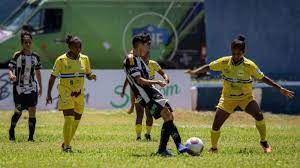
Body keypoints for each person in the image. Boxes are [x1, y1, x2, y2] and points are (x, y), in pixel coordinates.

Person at [186, 35, 295, 153]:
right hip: (227, 99)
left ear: (243, 53)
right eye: (234, 53)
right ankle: (214, 148)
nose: (236, 56)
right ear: (231, 52)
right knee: (216, 125)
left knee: (259, 115)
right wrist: (194, 72)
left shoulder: (250, 65)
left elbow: (263, 78)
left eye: (239, 54)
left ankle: (264, 142)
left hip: (245, 98)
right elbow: (208, 67)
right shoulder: (224, 62)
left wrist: (280, 88)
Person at [123, 33, 189, 156]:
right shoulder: (131, 60)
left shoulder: (138, 59)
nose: (149, 48)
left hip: (152, 91)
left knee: (169, 116)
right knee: (167, 115)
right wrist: (157, 81)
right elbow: (139, 80)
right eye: (147, 45)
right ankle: (169, 147)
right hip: (146, 95)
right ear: (140, 45)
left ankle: (175, 146)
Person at [46, 35, 96, 152]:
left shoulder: (85, 59)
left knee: (76, 120)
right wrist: (48, 94)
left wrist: (91, 76)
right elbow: (52, 77)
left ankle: (65, 143)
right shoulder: (61, 60)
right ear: (69, 47)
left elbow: (88, 74)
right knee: (69, 119)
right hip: (65, 93)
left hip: (79, 93)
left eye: (80, 47)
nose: (78, 49)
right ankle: (67, 147)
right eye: (75, 47)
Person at [121, 49, 170, 141]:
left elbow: (163, 73)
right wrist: (123, 89)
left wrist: (166, 78)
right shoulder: (136, 64)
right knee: (139, 113)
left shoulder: (153, 64)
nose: (144, 56)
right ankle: (138, 136)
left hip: (150, 92)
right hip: (139, 92)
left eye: (146, 54)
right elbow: (128, 78)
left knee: (149, 115)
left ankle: (147, 134)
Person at [8, 30, 42, 142]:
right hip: (19, 88)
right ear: (22, 44)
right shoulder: (17, 55)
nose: (28, 44)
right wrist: (12, 74)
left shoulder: (36, 56)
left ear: (31, 43)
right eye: (25, 42)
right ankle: (12, 129)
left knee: (32, 109)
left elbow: (37, 72)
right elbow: (10, 68)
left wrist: (40, 86)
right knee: (18, 111)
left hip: (32, 87)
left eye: (29, 42)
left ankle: (31, 137)